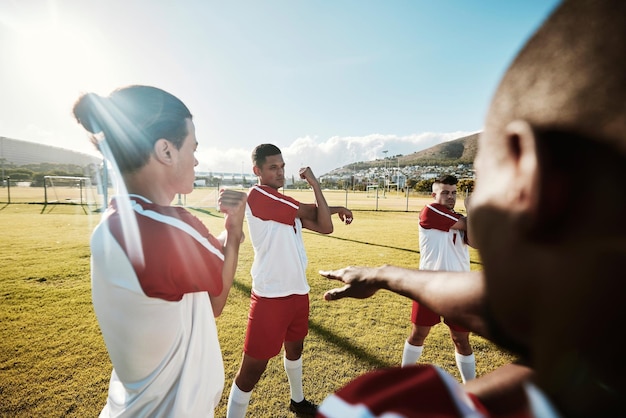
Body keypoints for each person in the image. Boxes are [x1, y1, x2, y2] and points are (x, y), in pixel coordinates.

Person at [316, 0, 626, 416]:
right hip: (438, 281)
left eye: (483, 171)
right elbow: (541, 312)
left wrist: (385, 274)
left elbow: (524, 308)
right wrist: (387, 275)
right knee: (419, 336)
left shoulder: (378, 409)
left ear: (528, 175)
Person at [73, 85, 247, 417]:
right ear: (166, 151)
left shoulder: (119, 222)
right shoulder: (162, 229)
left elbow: (194, 281)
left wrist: (228, 231)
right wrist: (235, 231)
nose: (196, 159)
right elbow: (217, 299)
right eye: (193, 147)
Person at [226, 143, 353, 418]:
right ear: (257, 171)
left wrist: (336, 206)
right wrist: (315, 183)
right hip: (271, 296)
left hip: (298, 292)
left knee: (295, 349)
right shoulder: (258, 196)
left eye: (282, 166)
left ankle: (298, 401)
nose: (280, 172)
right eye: (273, 167)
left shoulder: (284, 205)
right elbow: (312, 214)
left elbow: (323, 224)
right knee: (251, 371)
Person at [401, 174, 475, 383]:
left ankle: (471, 388)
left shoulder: (460, 217)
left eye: (453, 193)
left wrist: (471, 213)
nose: (450, 197)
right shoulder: (430, 210)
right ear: (434, 194)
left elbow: (476, 241)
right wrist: (473, 213)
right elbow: (468, 225)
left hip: (459, 289)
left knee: (461, 339)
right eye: (445, 193)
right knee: (418, 335)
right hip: (429, 286)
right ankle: (402, 380)